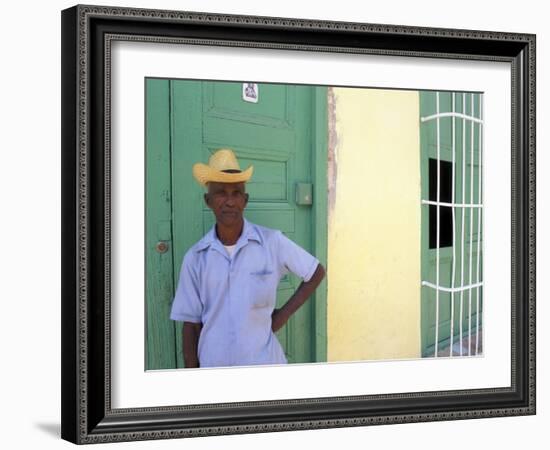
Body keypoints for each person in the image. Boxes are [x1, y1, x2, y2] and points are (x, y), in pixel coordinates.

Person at [170, 148, 325, 368]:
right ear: (208, 200)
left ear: (246, 200)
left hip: (264, 365)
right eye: (221, 193)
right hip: (215, 369)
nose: (230, 201)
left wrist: (282, 315)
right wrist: (193, 380)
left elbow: (316, 271)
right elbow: (191, 325)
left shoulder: (272, 242)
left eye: (236, 193)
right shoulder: (196, 258)